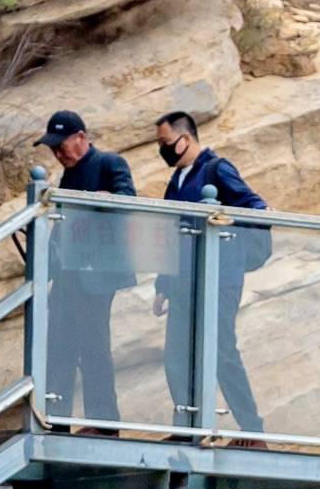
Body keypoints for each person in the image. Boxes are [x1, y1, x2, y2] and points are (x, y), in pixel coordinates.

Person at [151, 108, 269, 433]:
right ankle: (186, 428)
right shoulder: (177, 180)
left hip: (219, 278)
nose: (162, 149)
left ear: (185, 138)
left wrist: (229, 224)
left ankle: (252, 429)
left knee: (220, 352)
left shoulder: (217, 169)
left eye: (165, 142)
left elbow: (255, 206)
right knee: (176, 358)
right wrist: (163, 284)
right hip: (185, 284)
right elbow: (172, 234)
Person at [39, 109, 137, 423]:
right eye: (53, 148)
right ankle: (57, 417)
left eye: (61, 145)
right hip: (69, 273)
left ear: (81, 137)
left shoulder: (109, 163)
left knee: (93, 347)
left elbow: (128, 203)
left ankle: (104, 421)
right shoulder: (68, 175)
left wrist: (102, 200)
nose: (57, 153)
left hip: (98, 274)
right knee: (58, 345)